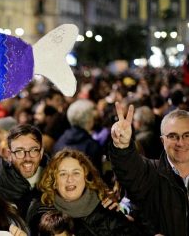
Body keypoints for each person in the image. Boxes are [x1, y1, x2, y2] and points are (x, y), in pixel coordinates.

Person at [27, 148, 151, 236]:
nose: (70, 179)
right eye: (63, 174)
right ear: (54, 180)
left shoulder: (107, 207)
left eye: (76, 173)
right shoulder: (41, 212)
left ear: (86, 177)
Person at [109, 102, 189, 235]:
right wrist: (123, 146)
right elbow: (130, 169)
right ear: (163, 141)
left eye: (187, 135)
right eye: (172, 136)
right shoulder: (151, 173)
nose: (180, 142)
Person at [53, 99, 102, 171]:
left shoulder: (59, 141)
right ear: (88, 119)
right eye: (92, 117)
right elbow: (97, 177)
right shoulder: (92, 146)